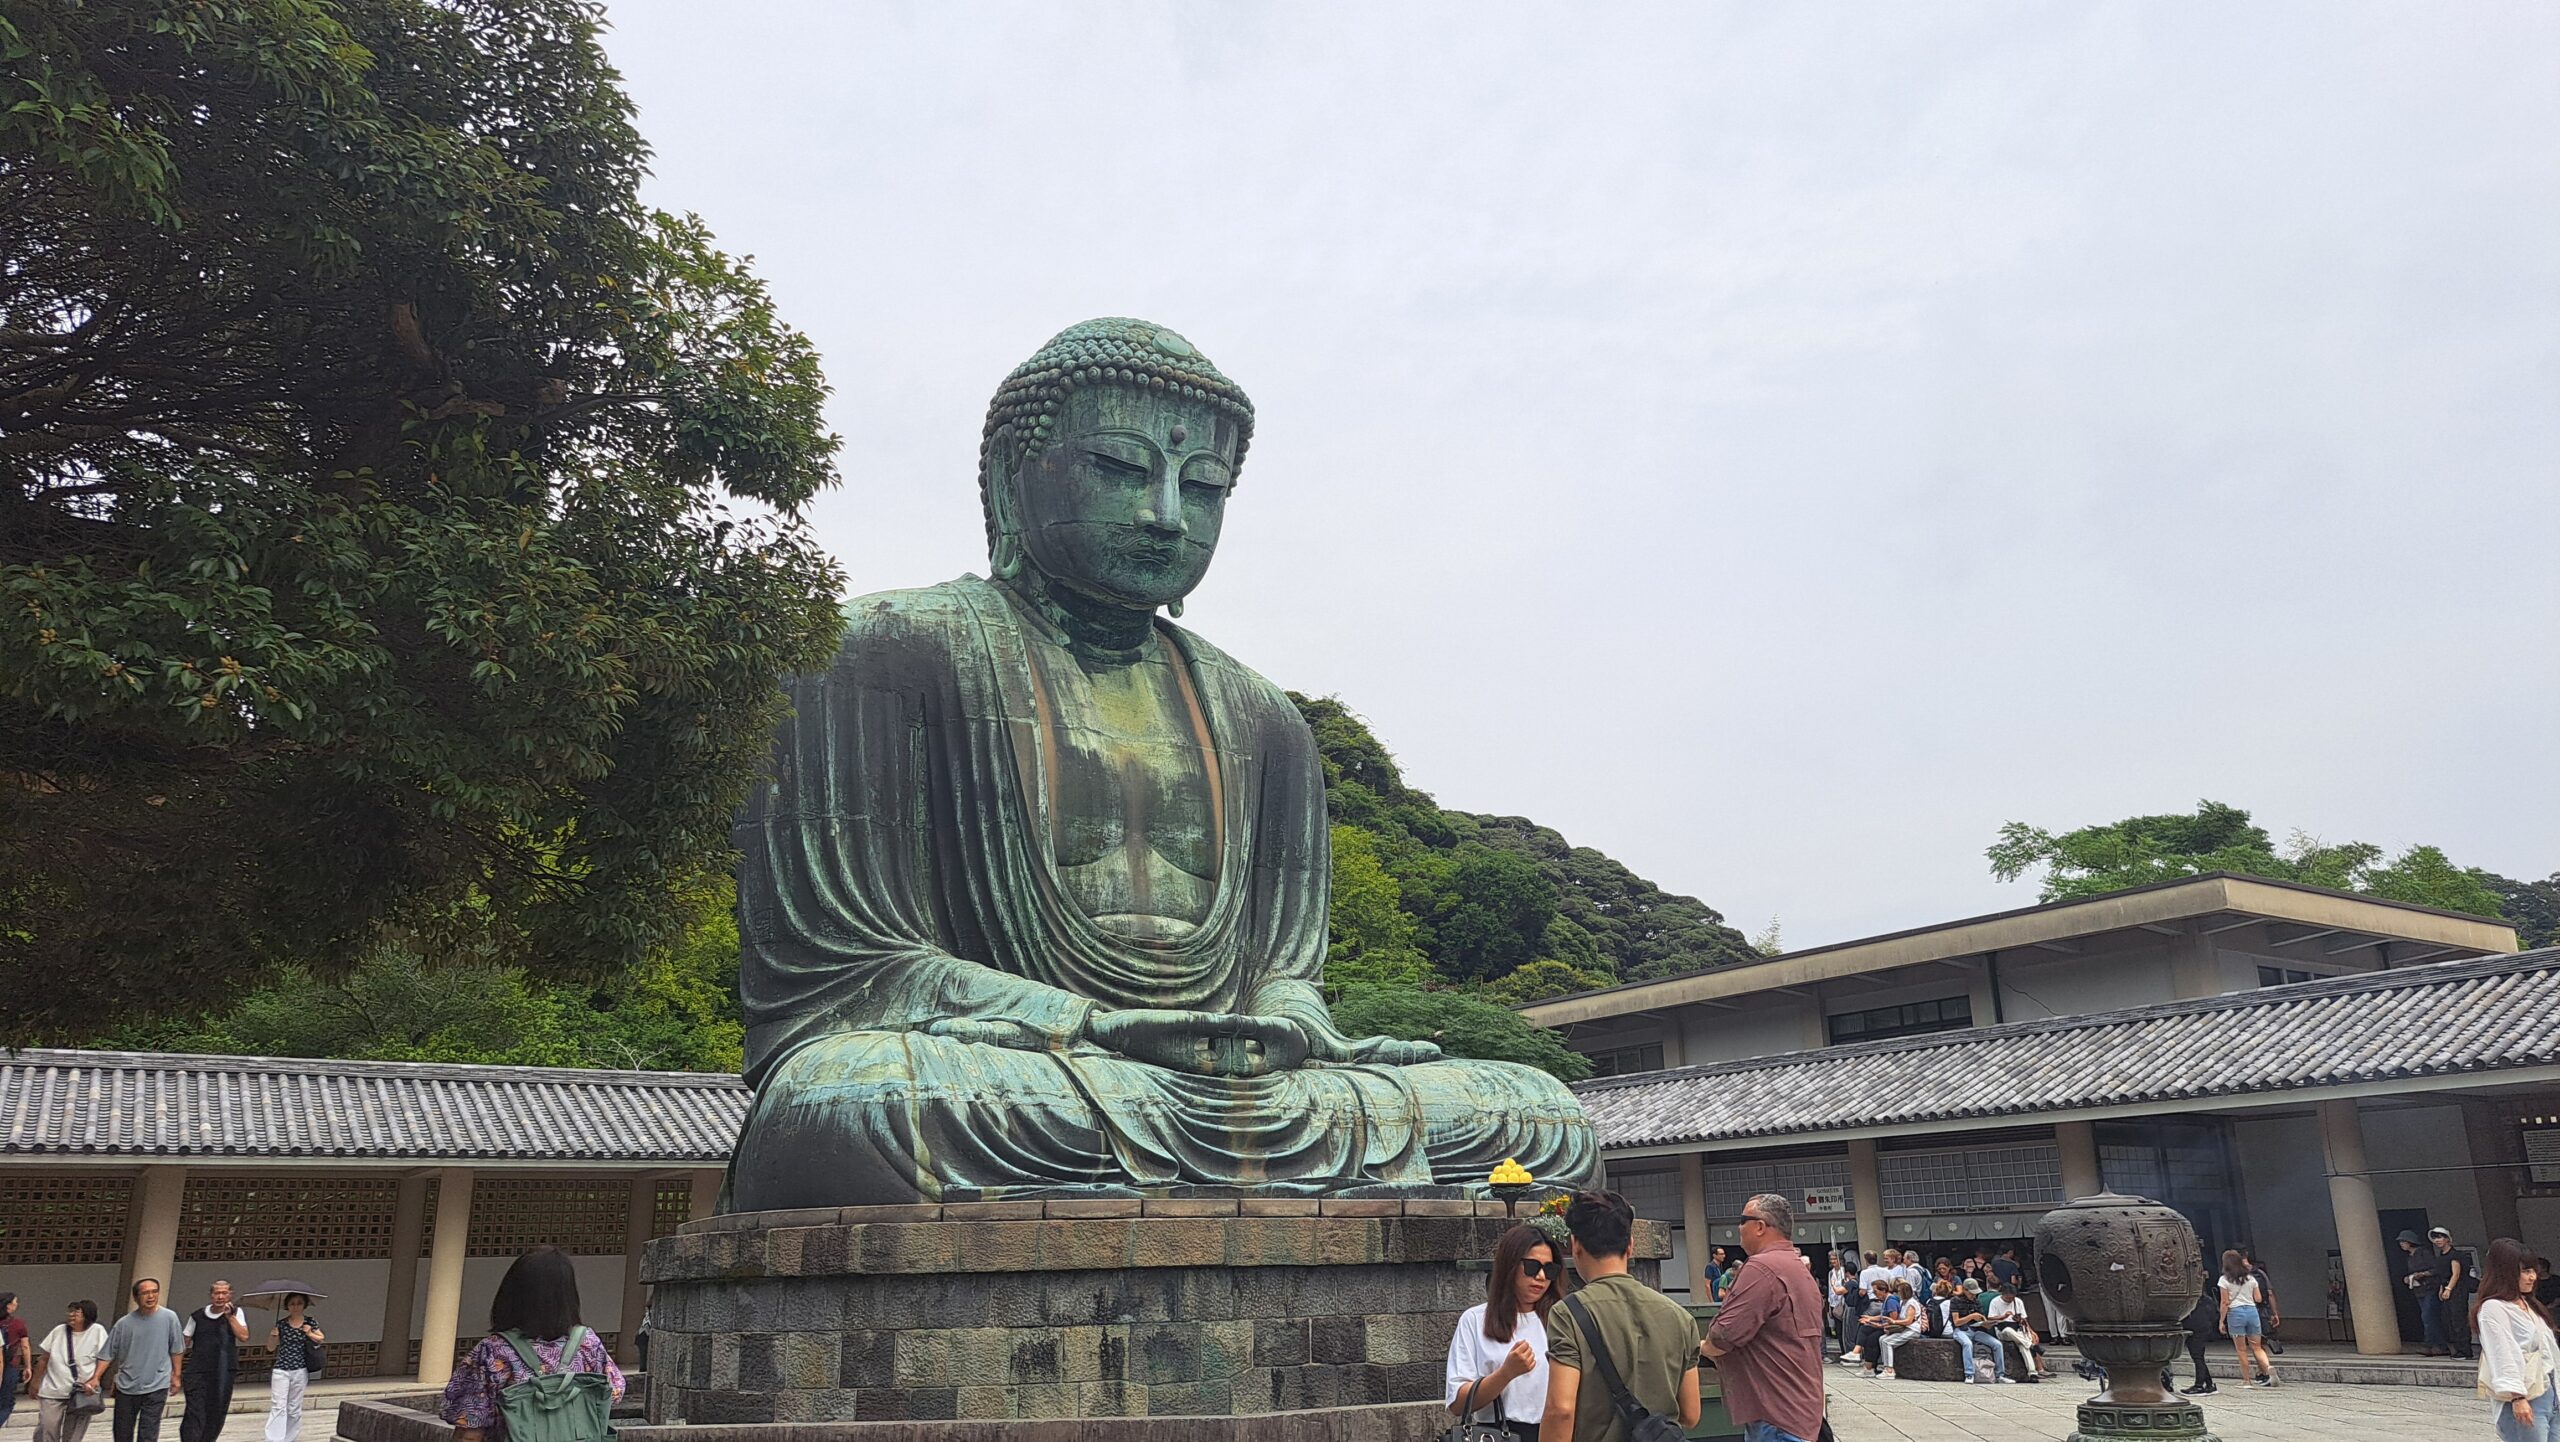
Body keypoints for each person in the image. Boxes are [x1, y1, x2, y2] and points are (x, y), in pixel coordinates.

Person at [1540, 1191, 1701, 1442]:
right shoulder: (1679, 1317)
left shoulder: (1567, 1314)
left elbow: (1561, 1410)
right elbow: (1691, 1414)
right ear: (1630, 1245)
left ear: (1576, 1246)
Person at [439, 1247, 625, 1442]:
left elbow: (470, 1431)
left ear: (511, 1293)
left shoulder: (493, 1351)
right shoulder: (588, 1343)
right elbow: (613, 1393)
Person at [1699, 1193, 1824, 1442]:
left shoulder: (1759, 1268)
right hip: (1800, 1410)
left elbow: (1724, 1335)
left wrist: (1700, 1347)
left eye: (1743, 1219)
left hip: (1774, 1415)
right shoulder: (1796, 1266)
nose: (1738, 1227)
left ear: (1759, 1227)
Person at [1446, 1224, 1564, 1442]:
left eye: (1550, 1270)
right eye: (1531, 1266)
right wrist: (1506, 1373)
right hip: (1497, 1434)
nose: (1540, 1276)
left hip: (1556, 1432)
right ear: (1510, 1265)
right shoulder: (1475, 1320)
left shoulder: (1562, 1320)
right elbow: (1457, 1402)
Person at [2477, 1238, 2557, 1442]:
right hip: (2525, 1395)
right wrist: (2517, 1397)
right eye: (2525, 1271)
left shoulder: (2529, 1304)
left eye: (2533, 1271)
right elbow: (2501, 1353)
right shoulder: (2494, 1308)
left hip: (2550, 1389)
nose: (2532, 1277)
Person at [98, 1279, 183, 1442]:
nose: (151, 1296)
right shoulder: (124, 1324)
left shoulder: (169, 1318)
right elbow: (107, 1353)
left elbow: (176, 1349)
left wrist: (176, 1375)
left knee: (148, 1431)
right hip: (127, 1385)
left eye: (154, 1291)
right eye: (145, 1293)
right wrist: (96, 1377)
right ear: (136, 1298)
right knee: (122, 1431)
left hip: (157, 1383)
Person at [177, 1282, 247, 1442]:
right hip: (198, 1371)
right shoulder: (197, 1316)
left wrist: (230, 1317)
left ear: (230, 1295)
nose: (220, 1297)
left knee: (217, 1410)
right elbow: (183, 1342)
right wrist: (176, 1371)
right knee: (195, 1411)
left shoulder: (236, 1313)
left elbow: (243, 1336)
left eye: (224, 1293)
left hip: (223, 1371)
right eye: (217, 1293)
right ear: (211, 1295)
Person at [34, 1300, 107, 1442]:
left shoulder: (97, 1331)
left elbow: (104, 1358)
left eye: (77, 1312)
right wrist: (35, 1382)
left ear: (87, 1315)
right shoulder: (59, 1330)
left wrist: (96, 1378)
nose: (71, 1315)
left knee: (74, 1434)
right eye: (71, 1311)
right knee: (47, 1426)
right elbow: (44, 1358)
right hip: (54, 1388)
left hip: (82, 1390)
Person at [262, 1295, 322, 1442]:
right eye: (292, 1304)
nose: (295, 1306)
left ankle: (289, 1438)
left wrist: (309, 1332)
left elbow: (320, 1338)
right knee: (278, 1406)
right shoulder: (281, 1324)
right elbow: (270, 1348)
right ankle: (274, 1439)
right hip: (281, 1369)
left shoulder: (310, 1322)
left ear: (304, 1305)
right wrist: (273, 1336)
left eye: (299, 1303)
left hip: (300, 1369)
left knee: (294, 1408)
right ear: (287, 1306)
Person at [2217, 1250, 2277, 1388]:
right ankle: (2268, 1369)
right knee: (2256, 1346)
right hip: (2252, 1312)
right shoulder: (2251, 1278)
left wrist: (2221, 1320)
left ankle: (2246, 1380)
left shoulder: (2224, 1280)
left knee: (2241, 1350)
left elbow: (2224, 1302)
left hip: (2236, 1313)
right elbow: (2258, 1298)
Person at [1945, 1281, 2014, 1384]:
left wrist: (1987, 1323)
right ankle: (1969, 1373)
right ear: (1965, 1290)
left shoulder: (1977, 1302)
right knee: (1967, 1344)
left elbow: (1983, 1320)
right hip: (1961, 1330)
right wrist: (1971, 1316)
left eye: (1974, 1293)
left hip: (1976, 1330)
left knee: (1997, 1344)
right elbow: (1956, 1322)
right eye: (1971, 1293)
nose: (1973, 1295)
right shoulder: (1955, 1301)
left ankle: (2000, 1374)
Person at [1987, 1280, 2049, 1380]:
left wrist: (2021, 1321)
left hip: (2017, 1329)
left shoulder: (2018, 1301)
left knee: (2023, 1346)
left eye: (2012, 1298)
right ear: (2003, 1294)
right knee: (2008, 1330)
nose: (2010, 1300)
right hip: (2002, 1329)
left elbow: (2024, 1318)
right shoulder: (1995, 1302)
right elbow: (1990, 1318)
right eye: (2008, 1298)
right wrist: (2002, 1317)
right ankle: (2031, 1345)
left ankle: (2032, 1373)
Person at [1870, 1283, 1927, 1380]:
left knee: (1887, 1342)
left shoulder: (1912, 1303)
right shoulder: (1902, 1302)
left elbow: (1908, 1320)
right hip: (1904, 1328)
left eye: (1900, 1291)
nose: (1898, 1293)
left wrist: (1894, 1321)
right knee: (1882, 1338)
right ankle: (1885, 1365)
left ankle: (1889, 1369)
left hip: (1912, 1329)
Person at [1, 1292, 29, 1429]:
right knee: (7, 1401)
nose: (17, 1304)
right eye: (15, 1302)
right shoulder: (18, 1323)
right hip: (10, 1365)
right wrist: (28, 1366)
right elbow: (25, 1346)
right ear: (8, 1306)